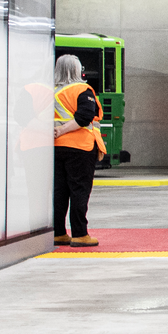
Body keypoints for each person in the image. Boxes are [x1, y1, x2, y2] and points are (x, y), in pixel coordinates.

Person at [52, 54, 105, 247]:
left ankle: (58, 232)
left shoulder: (51, 92)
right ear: (77, 69)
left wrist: (56, 133)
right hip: (80, 148)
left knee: (59, 192)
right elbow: (84, 117)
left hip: (56, 149)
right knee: (79, 191)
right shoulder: (82, 90)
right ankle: (80, 234)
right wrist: (62, 130)